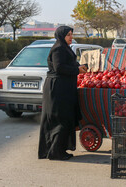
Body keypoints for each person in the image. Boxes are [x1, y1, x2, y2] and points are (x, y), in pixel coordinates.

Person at [38, 26, 87, 160]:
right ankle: (55, 152)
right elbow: (59, 67)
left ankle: (59, 150)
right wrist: (77, 70)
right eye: (68, 35)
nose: (71, 37)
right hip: (57, 90)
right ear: (61, 36)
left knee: (64, 119)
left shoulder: (65, 47)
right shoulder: (58, 48)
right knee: (59, 120)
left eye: (72, 34)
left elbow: (69, 64)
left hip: (64, 88)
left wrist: (79, 66)